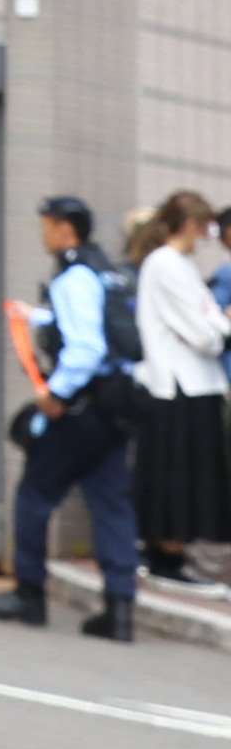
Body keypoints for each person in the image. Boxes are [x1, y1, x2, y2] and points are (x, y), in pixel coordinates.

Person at [0, 194, 144, 641]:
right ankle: (119, 607)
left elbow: (86, 347)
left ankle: (29, 595)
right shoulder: (108, 274)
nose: (44, 233)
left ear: (64, 228)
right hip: (114, 408)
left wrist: (56, 393)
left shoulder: (74, 277)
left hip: (80, 407)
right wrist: (35, 317)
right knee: (112, 504)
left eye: (48, 224)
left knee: (34, 493)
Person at [132, 189, 226, 589]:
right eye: (205, 227)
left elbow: (213, 324)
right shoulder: (167, 265)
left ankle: (169, 553)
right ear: (191, 225)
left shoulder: (176, 264)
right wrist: (216, 323)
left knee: (179, 474)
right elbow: (207, 333)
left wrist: (215, 323)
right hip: (179, 384)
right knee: (179, 476)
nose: (208, 235)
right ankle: (166, 556)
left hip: (187, 385)